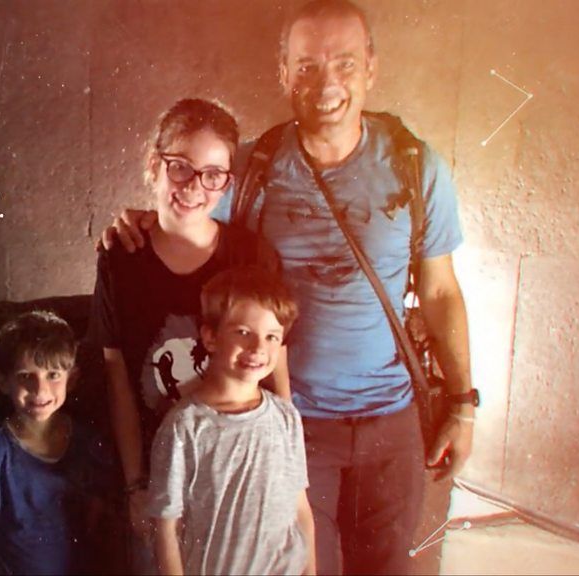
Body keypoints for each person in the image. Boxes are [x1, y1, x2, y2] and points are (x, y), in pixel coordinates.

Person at [103, 1, 476, 573]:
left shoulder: (415, 167)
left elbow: (441, 292)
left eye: (344, 63)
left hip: (392, 420)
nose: (326, 83)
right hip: (292, 422)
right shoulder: (253, 169)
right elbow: (188, 205)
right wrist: (137, 220)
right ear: (284, 73)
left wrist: (463, 406)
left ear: (371, 68)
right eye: (307, 66)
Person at [89, 98, 287, 572]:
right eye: (180, 167)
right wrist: (136, 484)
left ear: (227, 183)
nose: (195, 187)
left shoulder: (250, 255)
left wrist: (280, 466)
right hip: (160, 476)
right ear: (153, 165)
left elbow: (277, 365)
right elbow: (118, 377)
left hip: (236, 470)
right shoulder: (121, 257)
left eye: (212, 174)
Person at [148, 265, 314, 575]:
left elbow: (301, 508)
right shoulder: (185, 426)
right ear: (211, 337)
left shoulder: (286, 416)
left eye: (271, 337)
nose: (258, 348)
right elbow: (167, 527)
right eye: (243, 333)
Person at [0, 310, 111, 575]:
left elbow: (100, 517)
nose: (40, 389)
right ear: (3, 382)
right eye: (25, 376)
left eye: (53, 375)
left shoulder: (89, 443)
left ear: (72, 379)